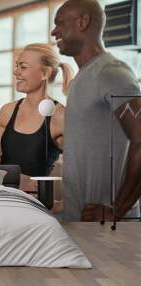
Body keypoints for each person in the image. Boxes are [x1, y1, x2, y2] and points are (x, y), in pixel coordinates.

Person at [51, 0, 141, 221]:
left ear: (82, 22)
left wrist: (117, 210)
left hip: (107, 228)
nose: (54, 31)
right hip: (80, 222)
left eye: (60, 23)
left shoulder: (110, 72)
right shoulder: (84, 77)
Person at [0, 43, 73, 192]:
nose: (16, 72)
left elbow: (83, 168)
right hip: (2, 199)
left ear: (45, 73)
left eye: (23, 67)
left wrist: (62, 204)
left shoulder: (61, 117)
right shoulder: (7, 110)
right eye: (16, 66)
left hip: (33, 205)